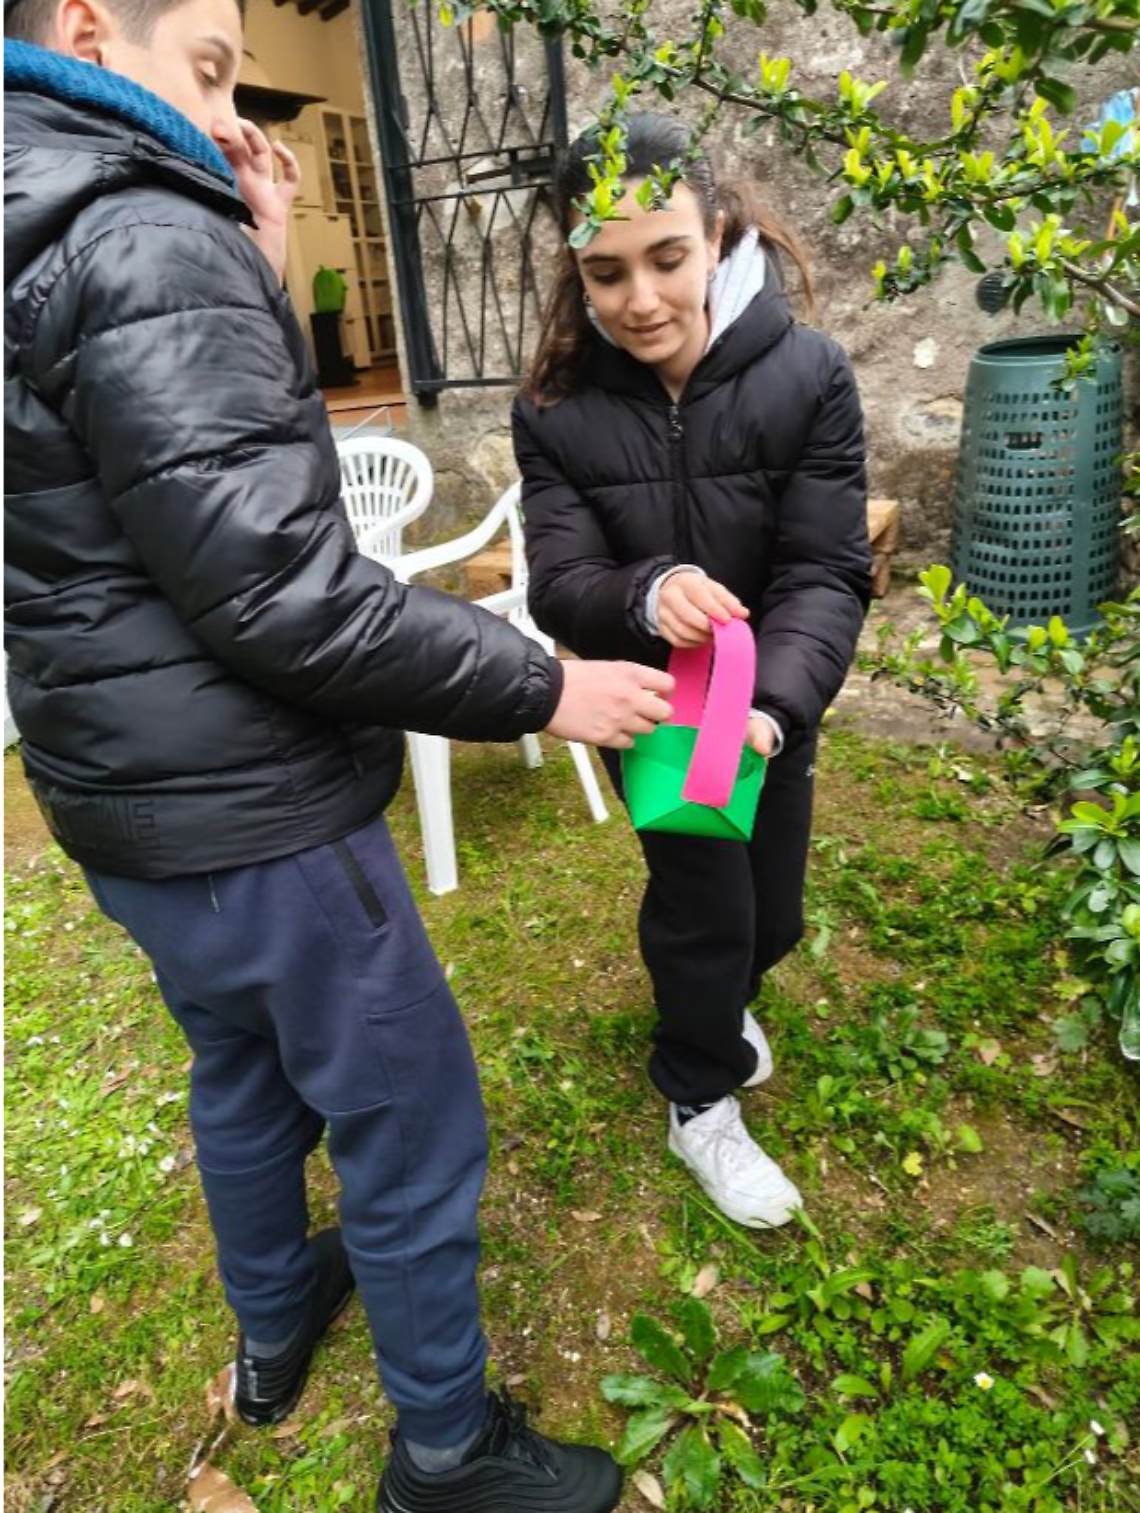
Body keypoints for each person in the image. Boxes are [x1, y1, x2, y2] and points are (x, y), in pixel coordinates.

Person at [2, 6, 677, 1509]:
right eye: (210, 65)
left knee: (239, 1065)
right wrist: (541, 683)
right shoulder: (131, 229)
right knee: (407, 1110)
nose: (232, 107)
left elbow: (147, 487)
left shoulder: (37, 207)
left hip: (122, 801)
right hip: (252, 808)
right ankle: (445, 1449)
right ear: (90, 26)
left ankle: (272, 1334)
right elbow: (279, 588)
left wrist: (251, 239)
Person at [515, 113, 872, 1232]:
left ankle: (729, 1000)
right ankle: (698, 1094)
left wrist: (773, 708)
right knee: (703, 908)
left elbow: (825, 567)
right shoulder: (557, 410)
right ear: (577, 266)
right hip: (657, 710)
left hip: (771, 713)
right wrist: (642, 593)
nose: (640, 300)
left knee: (772, 918)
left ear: (717, 235)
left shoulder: (808, 375)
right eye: (605, 271)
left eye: (666, 257)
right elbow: (560, 577)